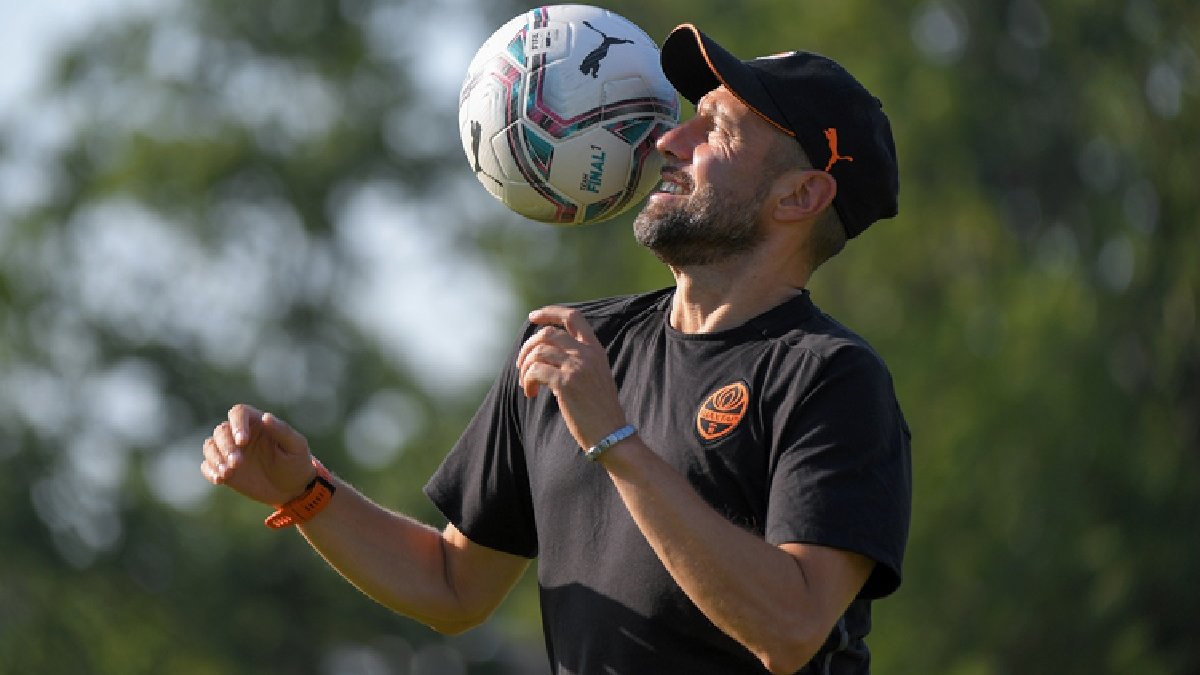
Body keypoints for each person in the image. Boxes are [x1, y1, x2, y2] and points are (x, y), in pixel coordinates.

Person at [201, 23, 911, 675]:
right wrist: (307, 493)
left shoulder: (831, 378)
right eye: (689, 117)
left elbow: (790, 627)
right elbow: (452, 584)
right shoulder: (575, 347)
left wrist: (615, 439)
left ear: (800, 196)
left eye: (716, 131)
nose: (669, 141)